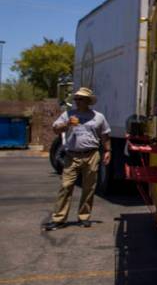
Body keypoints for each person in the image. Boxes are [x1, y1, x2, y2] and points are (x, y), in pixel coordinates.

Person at [44, 87, 110, 230]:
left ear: (88, 101)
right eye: (76, 98)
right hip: (71, 156)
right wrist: (67, 124)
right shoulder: (68, 114)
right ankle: (59, 219)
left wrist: (107, 151)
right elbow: (55, 129)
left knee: (89, 188)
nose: (77, 101)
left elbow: (105, 135)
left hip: (91, 155)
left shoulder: (98, 117)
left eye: (80, 99)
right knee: (66, 186)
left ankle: (84, 217)